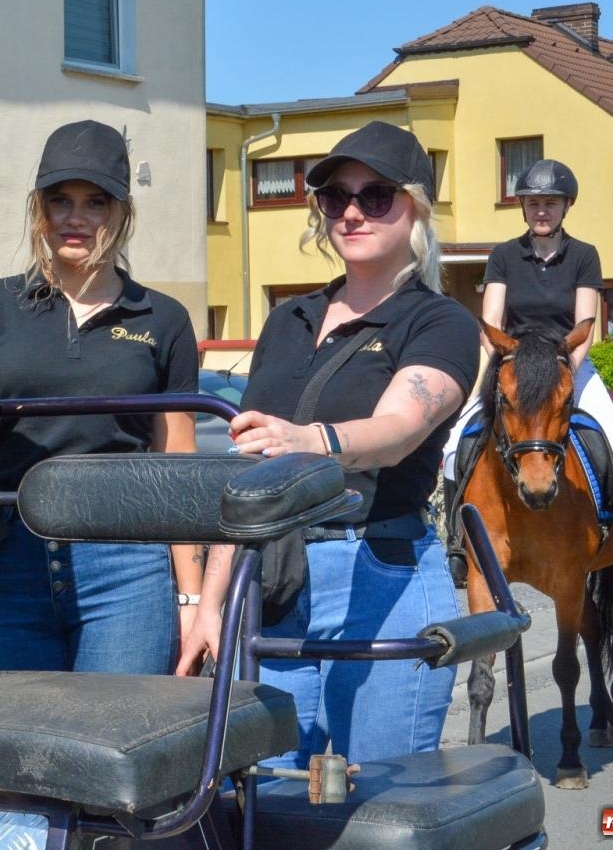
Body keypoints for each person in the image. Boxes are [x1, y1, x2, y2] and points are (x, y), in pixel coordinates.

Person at [176, 121, 477, 770]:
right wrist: (209, 604)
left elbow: (398, 431)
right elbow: (247, 472)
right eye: (336, 196)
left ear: (417, 209)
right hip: (274, 576)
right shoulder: (288, 320)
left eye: (376, 196)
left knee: (383, 796)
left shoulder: (440, 321)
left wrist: (308, 439)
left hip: (380, 570)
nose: (352, 212)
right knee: (260, 794)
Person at [0, 121, 199, 674]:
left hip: (127, 566)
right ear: (39, 208)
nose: (75, 218)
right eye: (60, 200)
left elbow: (177, 461)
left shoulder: (163, 319)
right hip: (7, 562)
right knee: (13, 725)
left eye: (95, 202)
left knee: (119, 724)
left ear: (122, 212)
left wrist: (192, 597)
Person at [471, 159, 613, 591]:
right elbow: (491, 322)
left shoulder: (583, 255)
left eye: (551, 203)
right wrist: (505, 365)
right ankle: (454, 546)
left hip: (566, 364)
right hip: (513, 367)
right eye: (534, 203)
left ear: (566, 207)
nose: (542, 210)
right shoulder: (503, 255)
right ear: (523, 208)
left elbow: (584, 326)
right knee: (455, 442)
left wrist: (561, 376)